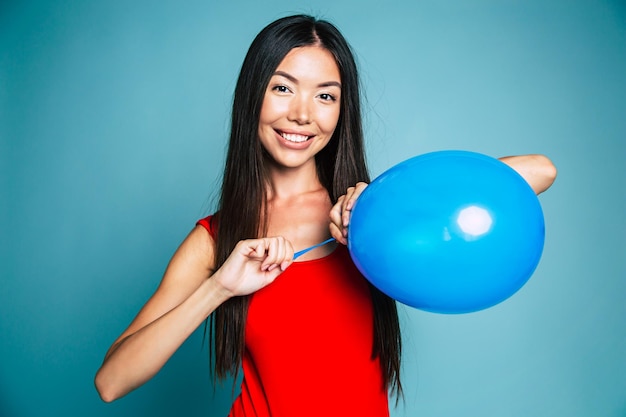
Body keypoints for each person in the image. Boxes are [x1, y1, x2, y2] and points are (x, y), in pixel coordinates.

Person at [94, 14, 557, 416]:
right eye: (282, 88)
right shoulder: (216, 240)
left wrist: (375, 208)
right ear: (251, 95)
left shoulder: (370, 215)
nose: (301, 114)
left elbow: (539, 171)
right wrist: (219, 287)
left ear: (341, 111)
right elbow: (111, 382)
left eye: (325, 96)